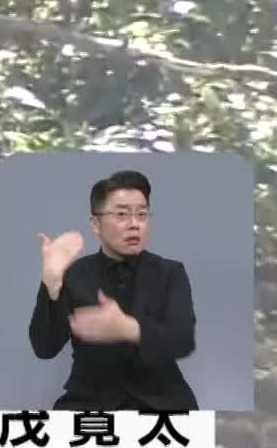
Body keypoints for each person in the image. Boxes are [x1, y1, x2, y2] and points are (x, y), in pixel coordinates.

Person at [27, 168, 199, 411]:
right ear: (95, 224)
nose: (134, 224)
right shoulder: (75, 273)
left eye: (142, 214)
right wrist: (51, 283)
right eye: (121, 215)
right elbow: (44, 348)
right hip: (90, 402)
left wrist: (130, 329)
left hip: (161, 402)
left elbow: (182, 340)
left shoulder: (170, 273)